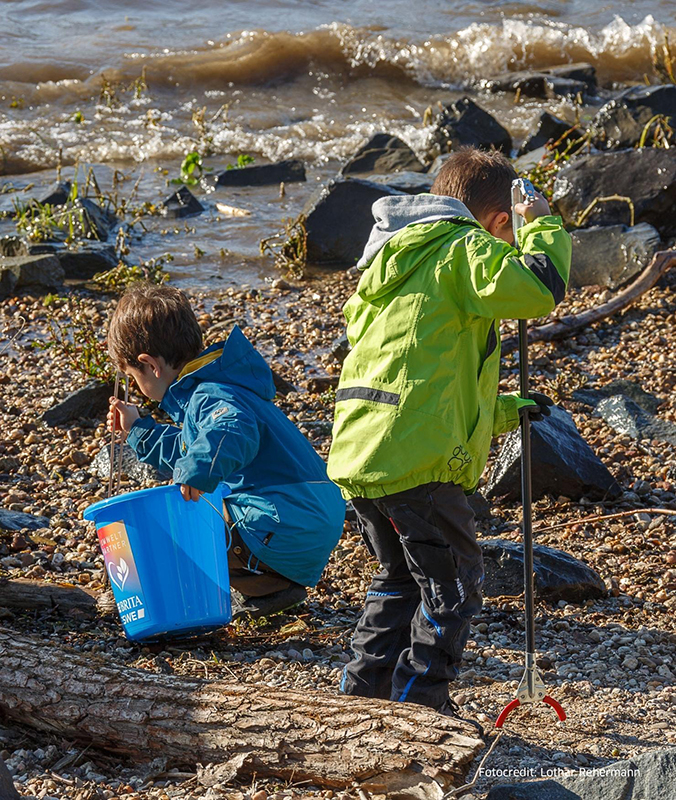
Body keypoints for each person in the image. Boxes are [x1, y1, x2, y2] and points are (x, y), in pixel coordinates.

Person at [327, 147, 571, 717]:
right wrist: (545, 226)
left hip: (366, 451)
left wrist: (504, 408)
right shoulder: (463, 247)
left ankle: (360, 704)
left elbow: (426, 371)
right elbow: (540, 287)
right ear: (498, 220)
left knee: (400, 582)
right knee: (455, 585)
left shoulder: (394, 260)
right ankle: (422, 711)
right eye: (509, 233)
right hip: (417, 461)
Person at [106, 283, 345, 619]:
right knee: (204, 495)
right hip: (307, 519)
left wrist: (196, 472)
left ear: (151, 365)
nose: (141, 390)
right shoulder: (220, 386)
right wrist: (139, 430)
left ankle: (190, 605)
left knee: (175, 524)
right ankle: (273, 589)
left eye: (134, 376)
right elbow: (191, 448)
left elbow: (231, 428)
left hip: (288, 519)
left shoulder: (209, 396)